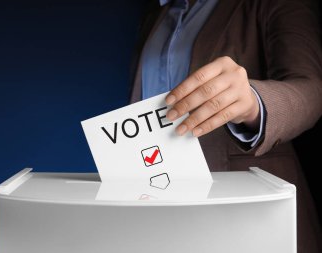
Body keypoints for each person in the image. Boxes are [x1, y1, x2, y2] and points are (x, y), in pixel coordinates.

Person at [130, 0, 322, 252]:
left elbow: (312, 90)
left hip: (248, 216)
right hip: (157, 208)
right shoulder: (155, 15)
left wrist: (254, 102)